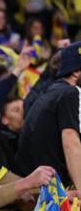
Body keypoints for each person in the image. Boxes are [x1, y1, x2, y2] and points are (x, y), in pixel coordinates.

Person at [16, 41, 81, 195]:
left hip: (36, 189)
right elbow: (71, 142)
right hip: (49, 196)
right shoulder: (70, 93)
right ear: (76, 71)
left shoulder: (50, 92)